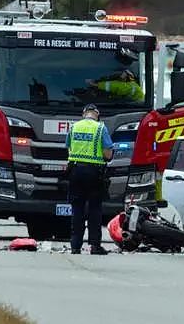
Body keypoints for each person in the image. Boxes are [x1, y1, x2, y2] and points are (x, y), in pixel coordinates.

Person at [65, 104, 114, 255]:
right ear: (97, 115)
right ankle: (94, 245)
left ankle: (75, 246)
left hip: (75, 171)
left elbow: (68, 147)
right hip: (94, 172)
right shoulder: (100, 128)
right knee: (94, 209)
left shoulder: (74, 127)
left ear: (84, 113)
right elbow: (107, 154)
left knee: (77, 208)